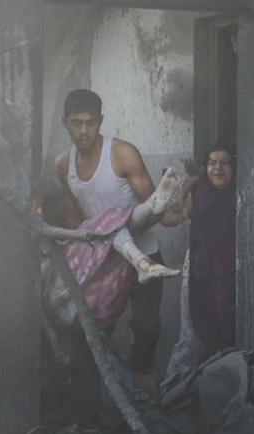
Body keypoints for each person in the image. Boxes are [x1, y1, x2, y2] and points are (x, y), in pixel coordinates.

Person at [44, 88, 178, 407]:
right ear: (65, 122)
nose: (84, 131)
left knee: (146, 325)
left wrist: (121, 225)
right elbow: (78, 214)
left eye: (91, 123)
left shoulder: (123, 154)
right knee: (93, 328)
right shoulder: (63, 165)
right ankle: (96, 402)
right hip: (101, 259)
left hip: (140, 249)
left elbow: (156, 215)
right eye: (77, 123)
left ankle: (143, 378)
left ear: (101, 121)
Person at [163, 142, 238, 374]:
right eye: (212, 163)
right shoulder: (198, 193)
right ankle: (172, 391)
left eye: (225, 163)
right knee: (191, 339)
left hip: (232, 276)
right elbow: (169, 217)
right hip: (198, 275)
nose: (218, 169)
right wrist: (188, 181)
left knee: (229, 338)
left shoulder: (241, 194)